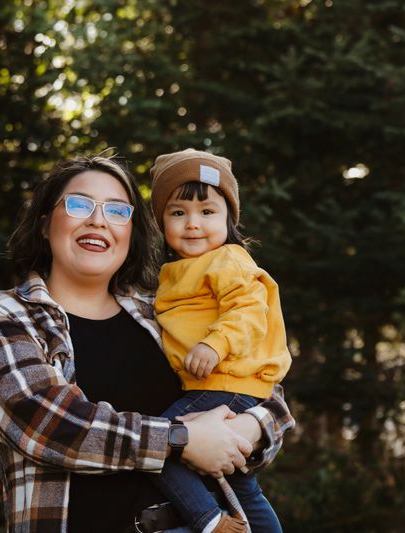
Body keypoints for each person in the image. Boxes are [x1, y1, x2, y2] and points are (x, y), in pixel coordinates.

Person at [0, 155, 295, 533]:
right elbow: (44, 424)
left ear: (131, 231)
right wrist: (180, 440)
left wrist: (250, 428)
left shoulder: (159, 314)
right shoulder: (4, 317)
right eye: (79, 204)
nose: (98, 220)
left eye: (117, 210)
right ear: (43, 224)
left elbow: (263, 392)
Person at [147, 149, 292, 533]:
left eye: (207, 212)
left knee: (160, 446)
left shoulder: (227, 259)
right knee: (241, 481)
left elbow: (248, 309)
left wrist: (214, 345)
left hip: (223, 382)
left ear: (229, 219)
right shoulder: (174, 271)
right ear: (161, 222)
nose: (193, 224)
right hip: (221, 385)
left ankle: (209, 521)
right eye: (178, 213)